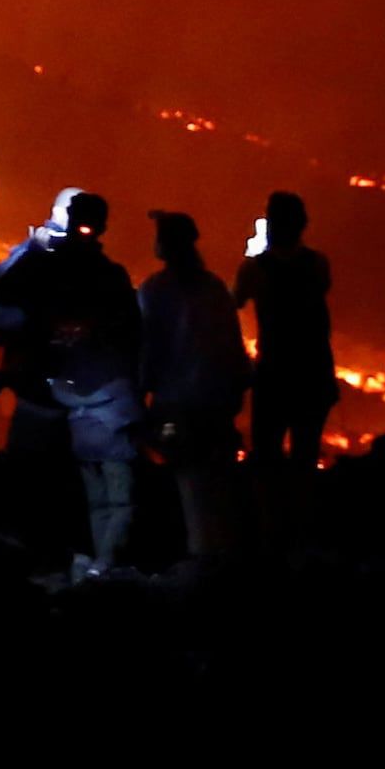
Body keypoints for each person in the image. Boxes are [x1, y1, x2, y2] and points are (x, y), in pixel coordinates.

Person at [0, 188, 145, 577]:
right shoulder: (111, 276)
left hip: (40, 397)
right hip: (89, 405)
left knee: (29, 486)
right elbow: (131, 336)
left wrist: (34, 248)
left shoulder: (44, 266)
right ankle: (71, 571)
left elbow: (1, 292)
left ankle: (26, 568)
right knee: (74, 494)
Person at [138, 208, 252, 568]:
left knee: (187, 484)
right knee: (214, 486)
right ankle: (218, 561)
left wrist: (141, 397)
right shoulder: (214, 288)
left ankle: (199, 565)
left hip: (176, 405)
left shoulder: (156, 291)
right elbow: (233, 348)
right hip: (214, 405)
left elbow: (146, 349)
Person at [235, 191, 340, 515]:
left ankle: (269, 531)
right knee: (304, 459)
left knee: (266, 457)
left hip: (274, 375)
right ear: (302, 224)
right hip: (312, 373)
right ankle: (299, 530)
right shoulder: (317, 264)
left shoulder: (254, 269)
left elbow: (233, 302)